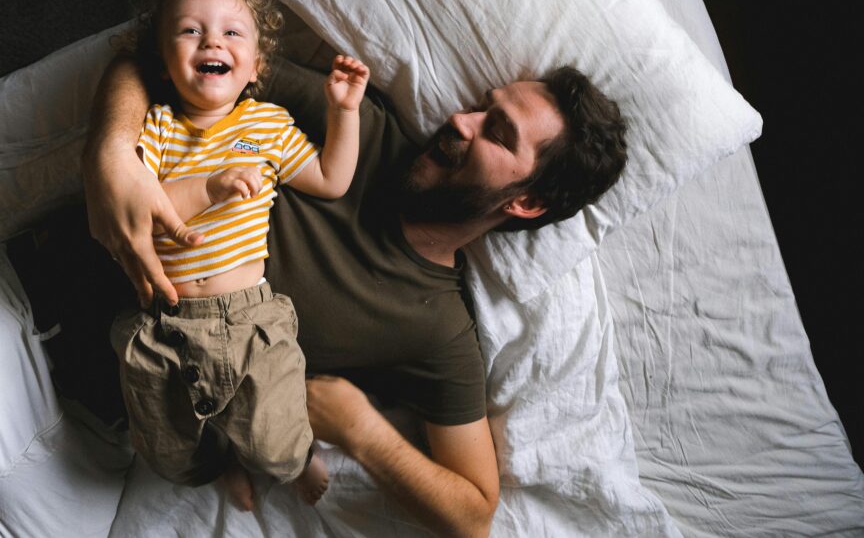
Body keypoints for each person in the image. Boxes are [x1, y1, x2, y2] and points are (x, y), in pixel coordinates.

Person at [84, 38, 627, 534]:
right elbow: (150, 50)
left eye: (497, 133)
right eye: (483, 107)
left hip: (114, 409)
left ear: (525, 203)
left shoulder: (435, 327)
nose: (463, 121)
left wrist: (364, 432)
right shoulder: (355, 126)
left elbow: (474, 514)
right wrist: (110, 153)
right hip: (49, 269)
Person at [104, 0, 370, 508]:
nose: (211, 42)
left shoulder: (266, 124)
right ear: (163, 59)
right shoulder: (155, 127)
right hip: (163, 321)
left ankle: (290, 460)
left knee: (274, 435)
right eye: (189, 31)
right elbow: (142, 209)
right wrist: (208, 187)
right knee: (166, 449)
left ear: (254, 65)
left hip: (249, 319)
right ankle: (212, 465)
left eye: (231, 32)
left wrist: (344, 113)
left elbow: (331, 180)